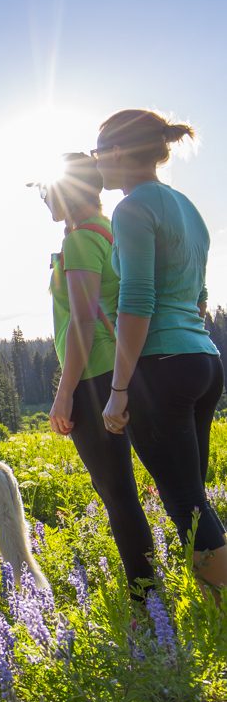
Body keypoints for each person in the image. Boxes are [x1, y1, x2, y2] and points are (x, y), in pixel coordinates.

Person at [95, 109, 226, 590]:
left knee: (186, 502)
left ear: (118, 153)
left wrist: (119, 388)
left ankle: (222, 615)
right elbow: (201, 298)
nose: (95, 163)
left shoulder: (131, 210)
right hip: (203, 361)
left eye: (98, 152)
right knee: (194, 496)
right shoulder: (186, 207)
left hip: (161, 367)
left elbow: (137, 301)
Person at [40, 152, 154, 593]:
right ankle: (181, 588)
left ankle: (146, 604)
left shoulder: (80, 241)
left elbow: (83, 321)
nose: (47, 204)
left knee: (117, 493)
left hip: (93, 376)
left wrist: (64, 392)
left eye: (49, 194)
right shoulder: (109, 232)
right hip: (123, 368)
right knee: (139, 488)